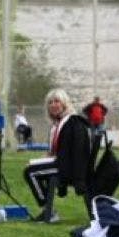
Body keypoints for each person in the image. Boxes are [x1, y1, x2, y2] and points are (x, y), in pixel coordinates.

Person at [22, 89, 92, 223]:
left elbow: (79, 153)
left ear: (64, 104)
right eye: (50, 102)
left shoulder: (73, 122)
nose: (53, 105)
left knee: (30, 172)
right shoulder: (58, 124)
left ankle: (48, 210)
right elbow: (54, 153)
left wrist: (79, 180)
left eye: (57, 101)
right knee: (31, 168)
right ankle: (48, 210)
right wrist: (34, 162)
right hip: (61, 164)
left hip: (69, 169)